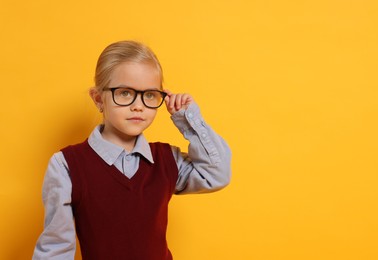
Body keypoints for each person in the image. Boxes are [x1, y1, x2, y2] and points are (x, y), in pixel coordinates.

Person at [33, 40, 231, 260]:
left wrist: (188, 119)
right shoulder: (66, 165)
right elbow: (56, 249)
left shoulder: (167, 160)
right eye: (125, 93)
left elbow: (217, 174)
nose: (138, 105)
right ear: (99, 99)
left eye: (149, 95)